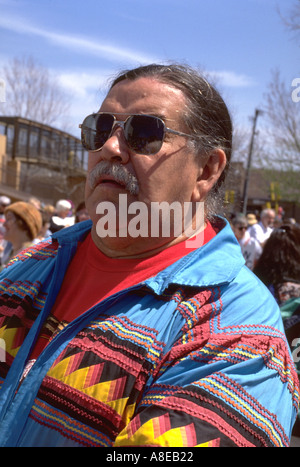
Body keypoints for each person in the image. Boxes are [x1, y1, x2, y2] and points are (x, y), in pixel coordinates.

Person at [0, 64, 298, 448]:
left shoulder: (241, 335)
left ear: (206, 170)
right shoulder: (31, 263)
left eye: (144, 133)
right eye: (100, 128)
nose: (109, 147)